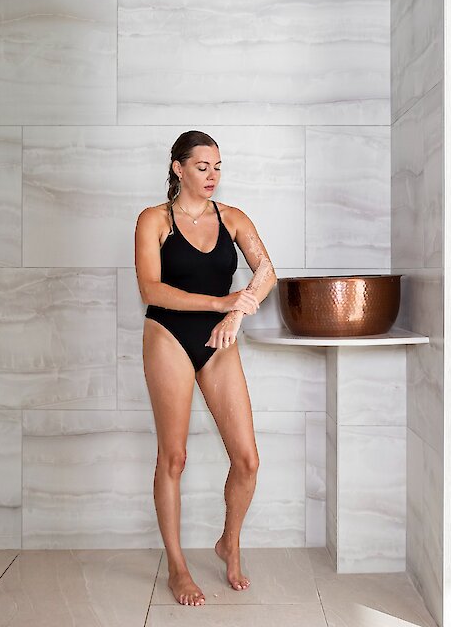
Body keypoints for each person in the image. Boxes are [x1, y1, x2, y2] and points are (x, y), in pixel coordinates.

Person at [134, 130, 276, 607]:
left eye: (218, 166)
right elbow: (151, 290)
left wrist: (236, 314)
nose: (212, 175)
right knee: (173, 458)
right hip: (169, 337)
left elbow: (266, 272)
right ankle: (177, 567)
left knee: (248, 459)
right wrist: (221, 300)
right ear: (178, 168)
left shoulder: (233, 218)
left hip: (218, 339)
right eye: (202, 167)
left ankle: (228, 542)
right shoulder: (154, 220)